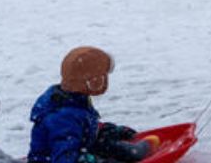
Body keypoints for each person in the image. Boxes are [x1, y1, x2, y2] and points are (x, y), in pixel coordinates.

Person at [28, 46, 159, 163]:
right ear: (91, 80)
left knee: (103, 142)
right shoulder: (63, 117)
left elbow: (83, 127)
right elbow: (65, 157)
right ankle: (129, 154)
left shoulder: (73, 99)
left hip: (81, 147)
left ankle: (132, 152)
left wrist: (107, 130)